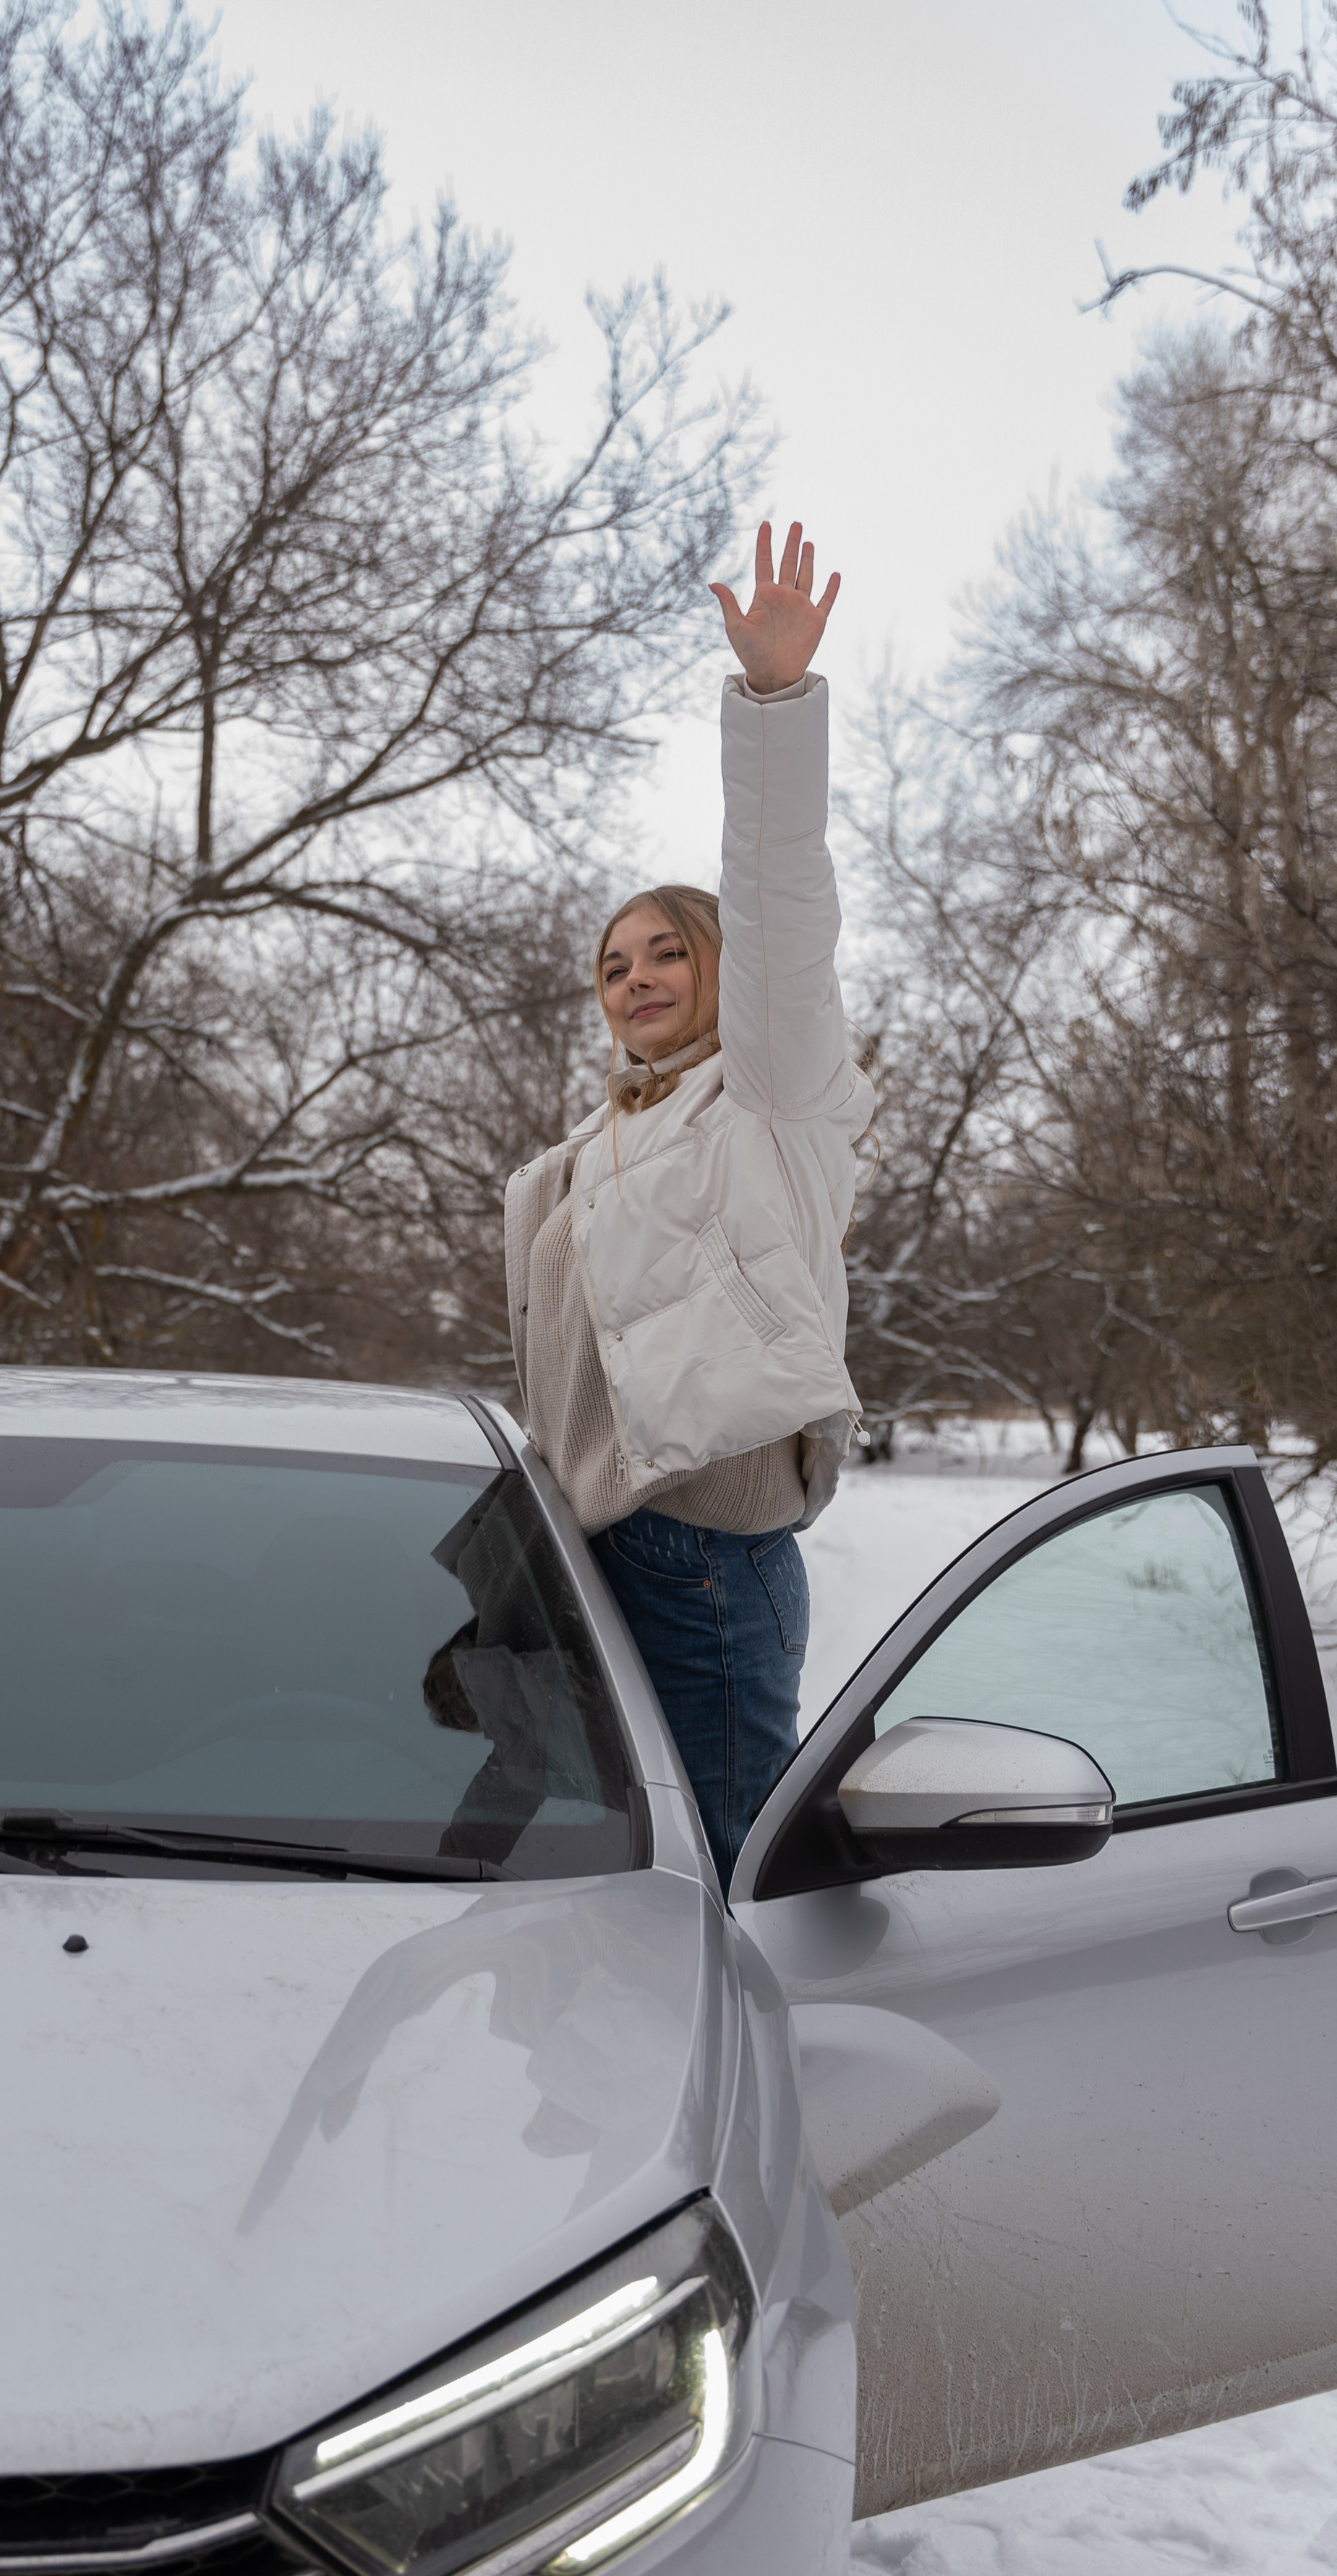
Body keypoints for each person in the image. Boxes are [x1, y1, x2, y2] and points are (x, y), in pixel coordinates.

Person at [503, 520, 873, 1884]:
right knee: (590, 1880)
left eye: (669, 951)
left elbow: (785, 907)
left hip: (706, 1561)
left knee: (719, 1883)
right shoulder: (600, 1145)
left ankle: (751, 2090)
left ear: (722, 970)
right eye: (613, 964)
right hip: (587, 1551)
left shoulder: (774, 1093)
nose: (637, 976)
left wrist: (772, 701)